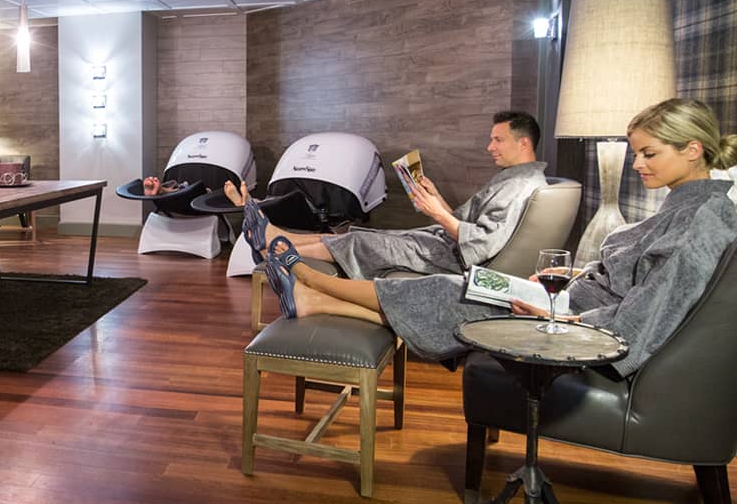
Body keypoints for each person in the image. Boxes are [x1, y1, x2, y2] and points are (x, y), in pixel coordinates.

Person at [255, 98, 737, 380]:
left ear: (693, 150)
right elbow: (635, 279)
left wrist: (567, 316)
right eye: (637, 153)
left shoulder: (703, 217)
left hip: (575, 323)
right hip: (563, 299)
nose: (638, 164)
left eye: (649, 153)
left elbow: (647, 313)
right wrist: (571, 276)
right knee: (434, 281)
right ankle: (313, 296)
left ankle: (307, 280)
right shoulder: (684, 206)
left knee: (446, 287)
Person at [232, 111, 547, 277]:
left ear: (523, 143)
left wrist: (437, 213)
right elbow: (468, 225)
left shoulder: (519, 187)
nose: (490, 147)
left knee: (357, 242)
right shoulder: (513, 179)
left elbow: (483, 244)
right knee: (357, 234)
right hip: (445, 244)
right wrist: (437, 198)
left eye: (497, 140)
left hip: (452, 259)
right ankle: (275, 237)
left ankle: (276, 250)